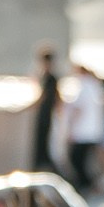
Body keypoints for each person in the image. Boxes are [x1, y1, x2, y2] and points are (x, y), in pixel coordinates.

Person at [59, 60, 104, 195]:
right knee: (86, 160)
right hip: (93, 131)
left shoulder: (84, 86)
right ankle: (90, 185)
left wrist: (70, 129)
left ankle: (86, 185)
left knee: (76, 160)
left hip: (82, 131)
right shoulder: (96, 86)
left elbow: (78, 109)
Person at [30, 44, 63, 180]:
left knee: (44, 145)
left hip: (46, 116)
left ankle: (48, 172)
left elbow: (46, 97)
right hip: (46, 115)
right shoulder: (47, 77)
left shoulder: (50, 78)